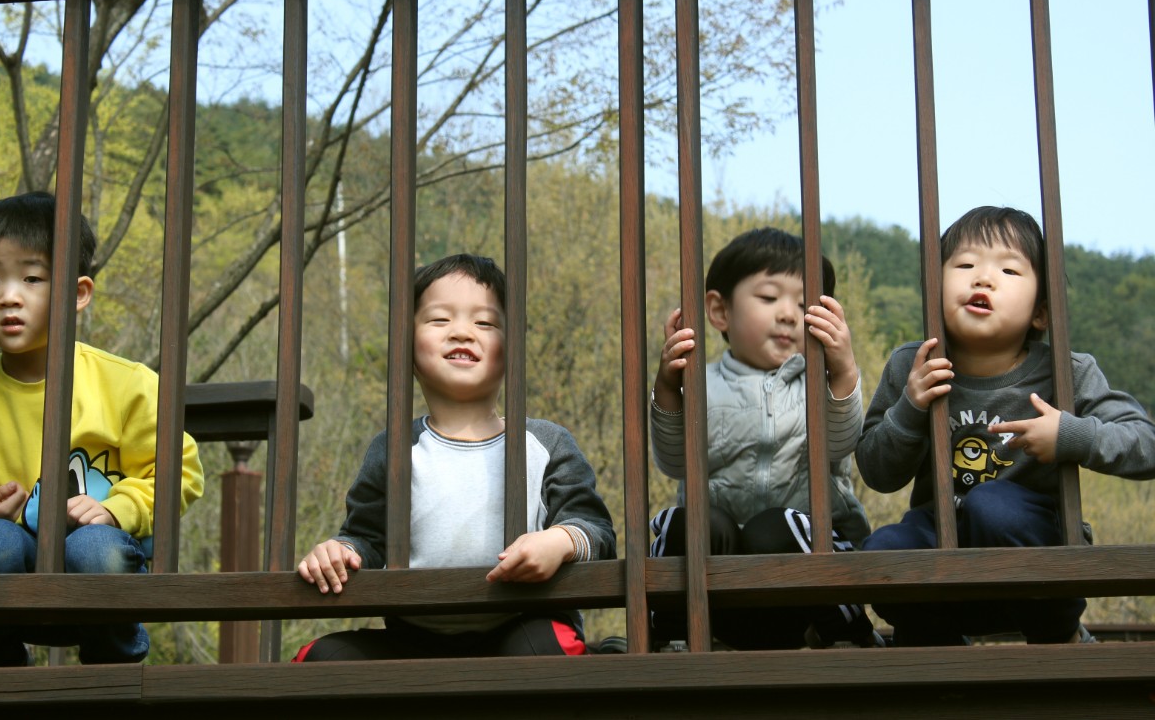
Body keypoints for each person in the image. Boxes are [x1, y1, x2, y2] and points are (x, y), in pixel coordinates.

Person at [293, 253, 615, 661]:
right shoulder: (394, 449)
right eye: (440, 319)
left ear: (512, 348)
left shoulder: (545, 443)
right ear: (408, 348)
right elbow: (368, 540)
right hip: (414, 633)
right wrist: (341, 551)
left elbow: (596, 530)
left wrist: (560, 540)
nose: (462, 331)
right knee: (320, 660)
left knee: (546, 653)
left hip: (522, 622)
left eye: (485, 323)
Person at [858, 206, 1155, 646]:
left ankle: (1060, 634)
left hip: (1033, 556)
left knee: (991, 504)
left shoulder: (1065, 373)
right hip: (943, 547)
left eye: (1009, 270)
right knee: (880, 552)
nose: (983, 278)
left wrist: (1070, 435)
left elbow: (1146, 442)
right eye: (965, 265)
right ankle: (938, 646)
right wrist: (910, 406)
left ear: (1041, 312)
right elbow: (876, 472)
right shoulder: (913, 365)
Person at [0, 191, 204, 666]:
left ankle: (111, 666)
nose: (9, 296)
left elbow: (179, 470)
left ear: (79, 293)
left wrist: (119, 509)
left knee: (95, 548)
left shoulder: (124, 384)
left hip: (97, 561)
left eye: (32, 278)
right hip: (12, 568)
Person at [648, 227, 879, 650]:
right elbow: (673, 461)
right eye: (770, 298)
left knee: (776, 526)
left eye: (804, 304)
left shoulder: (818, 383)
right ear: (720, 311)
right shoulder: (700, 384)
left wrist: (844, 371)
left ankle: (847, 633)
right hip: (719, 583)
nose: (789, 314)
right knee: (688, 521)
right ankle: (674, 637)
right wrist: (667, 387)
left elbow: (841, 443)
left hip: (805, 581)